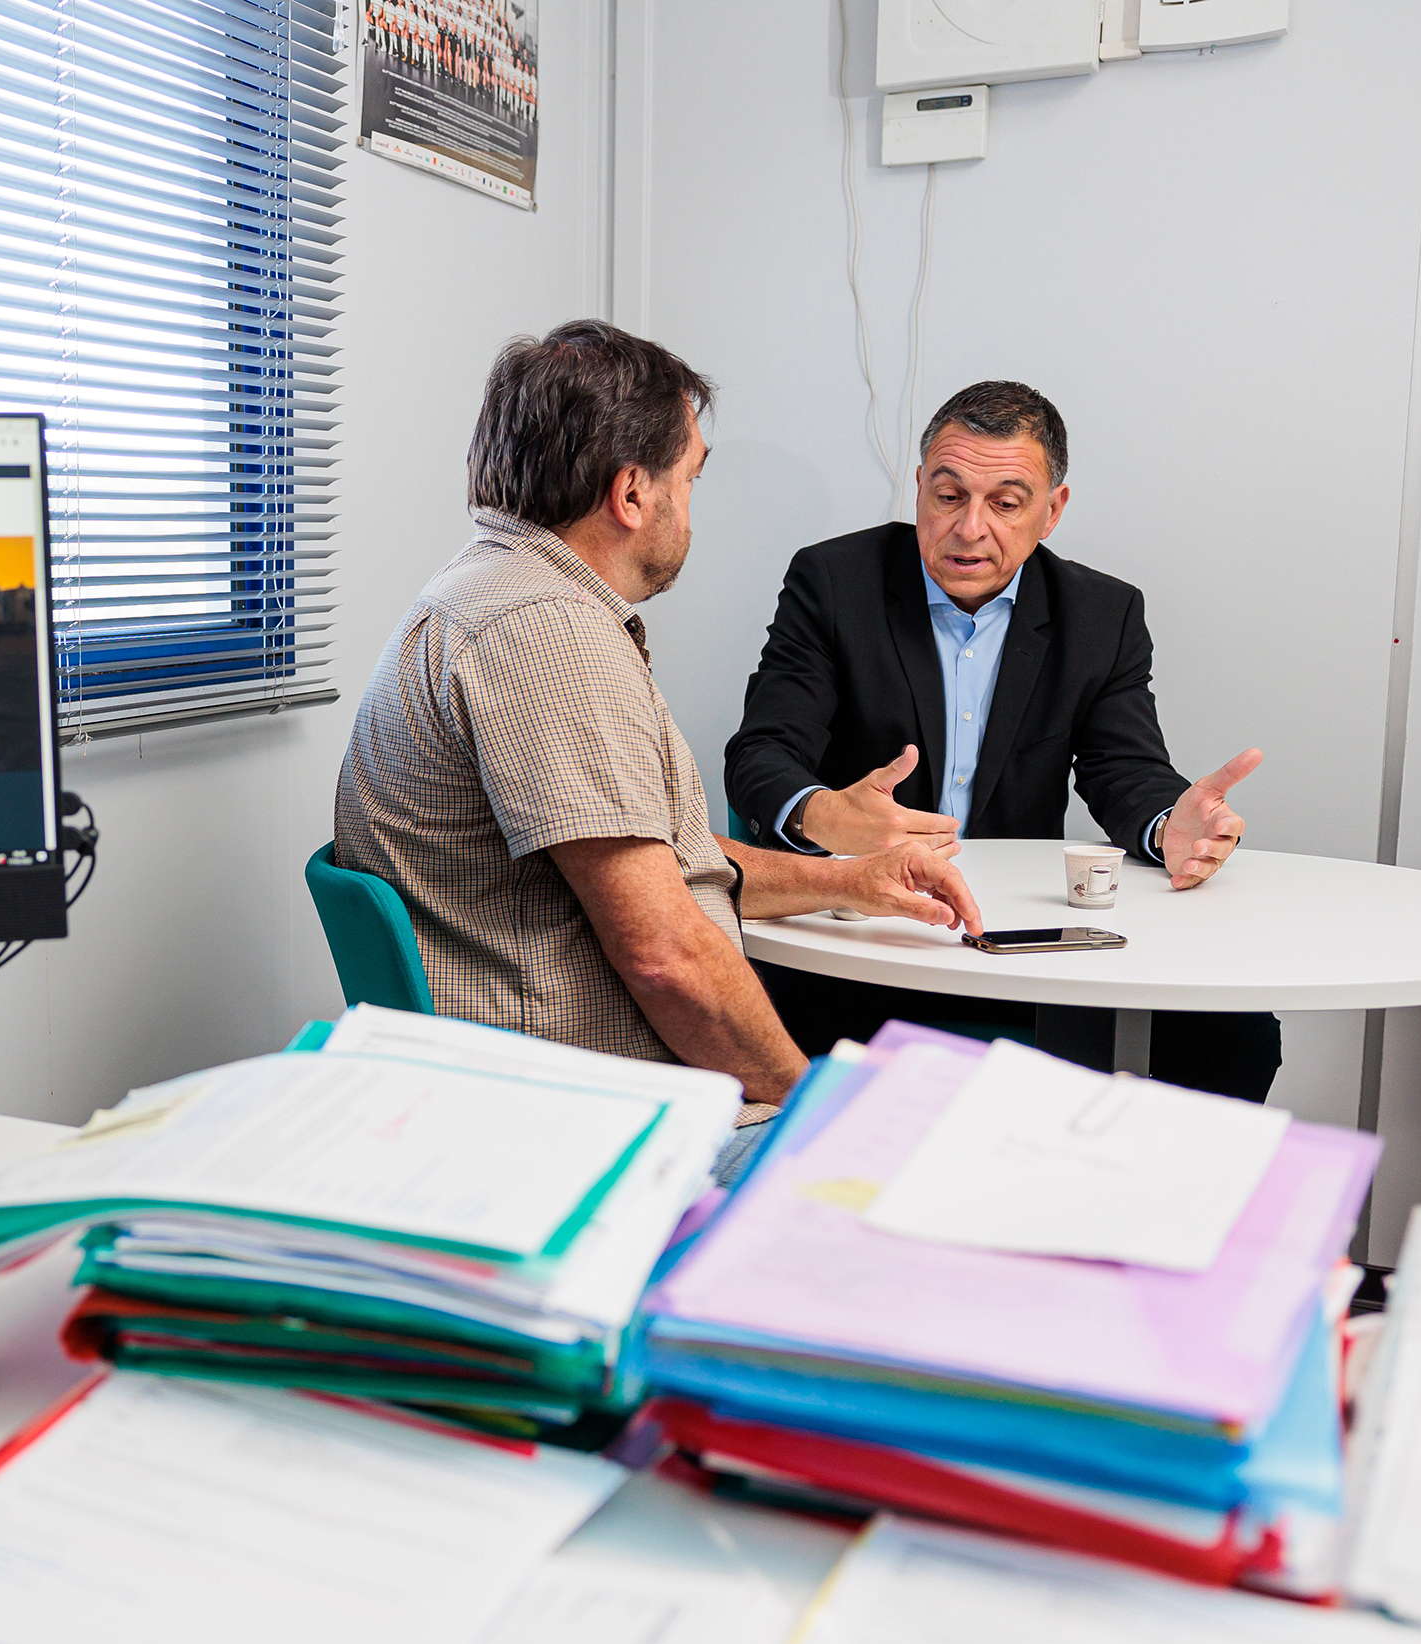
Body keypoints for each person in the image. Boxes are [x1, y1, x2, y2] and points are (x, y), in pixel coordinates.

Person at [332, 320, 983, 1108]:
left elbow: (653, 849)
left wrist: (849, 880)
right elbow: (666, 955)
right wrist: (806, 1105)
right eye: (690, 479)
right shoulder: (548, 636)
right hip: (586, 1112)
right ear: (634, 493)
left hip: (541, 1083)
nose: (689, 508)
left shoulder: (487, 591)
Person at [723, 380, 1280, 1102]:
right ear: (919, 488)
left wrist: (1170, 823)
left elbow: (1125, 768)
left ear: (1052, 511)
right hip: (866, 930)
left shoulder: (1101, 614)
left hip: (1017, 933)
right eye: (948, 495)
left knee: (1236, 1039)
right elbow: (761, 754)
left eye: (1006, 503)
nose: (969, 527)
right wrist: (823, 813)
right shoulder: (835, 581)